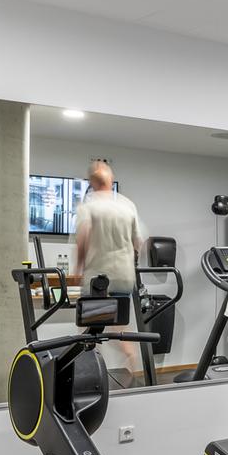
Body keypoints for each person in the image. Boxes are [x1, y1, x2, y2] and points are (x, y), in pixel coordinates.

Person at [72, 158, 146, 382]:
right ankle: (131, 357)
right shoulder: (127, 205)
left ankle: (90, 375)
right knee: (119, 323)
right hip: (123, 277)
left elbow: (83, 240)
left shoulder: (89, 206)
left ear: (92, 183)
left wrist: (78, 270)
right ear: (110, 180)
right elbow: (138, 242)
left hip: (98, 278)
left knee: (90, 328)